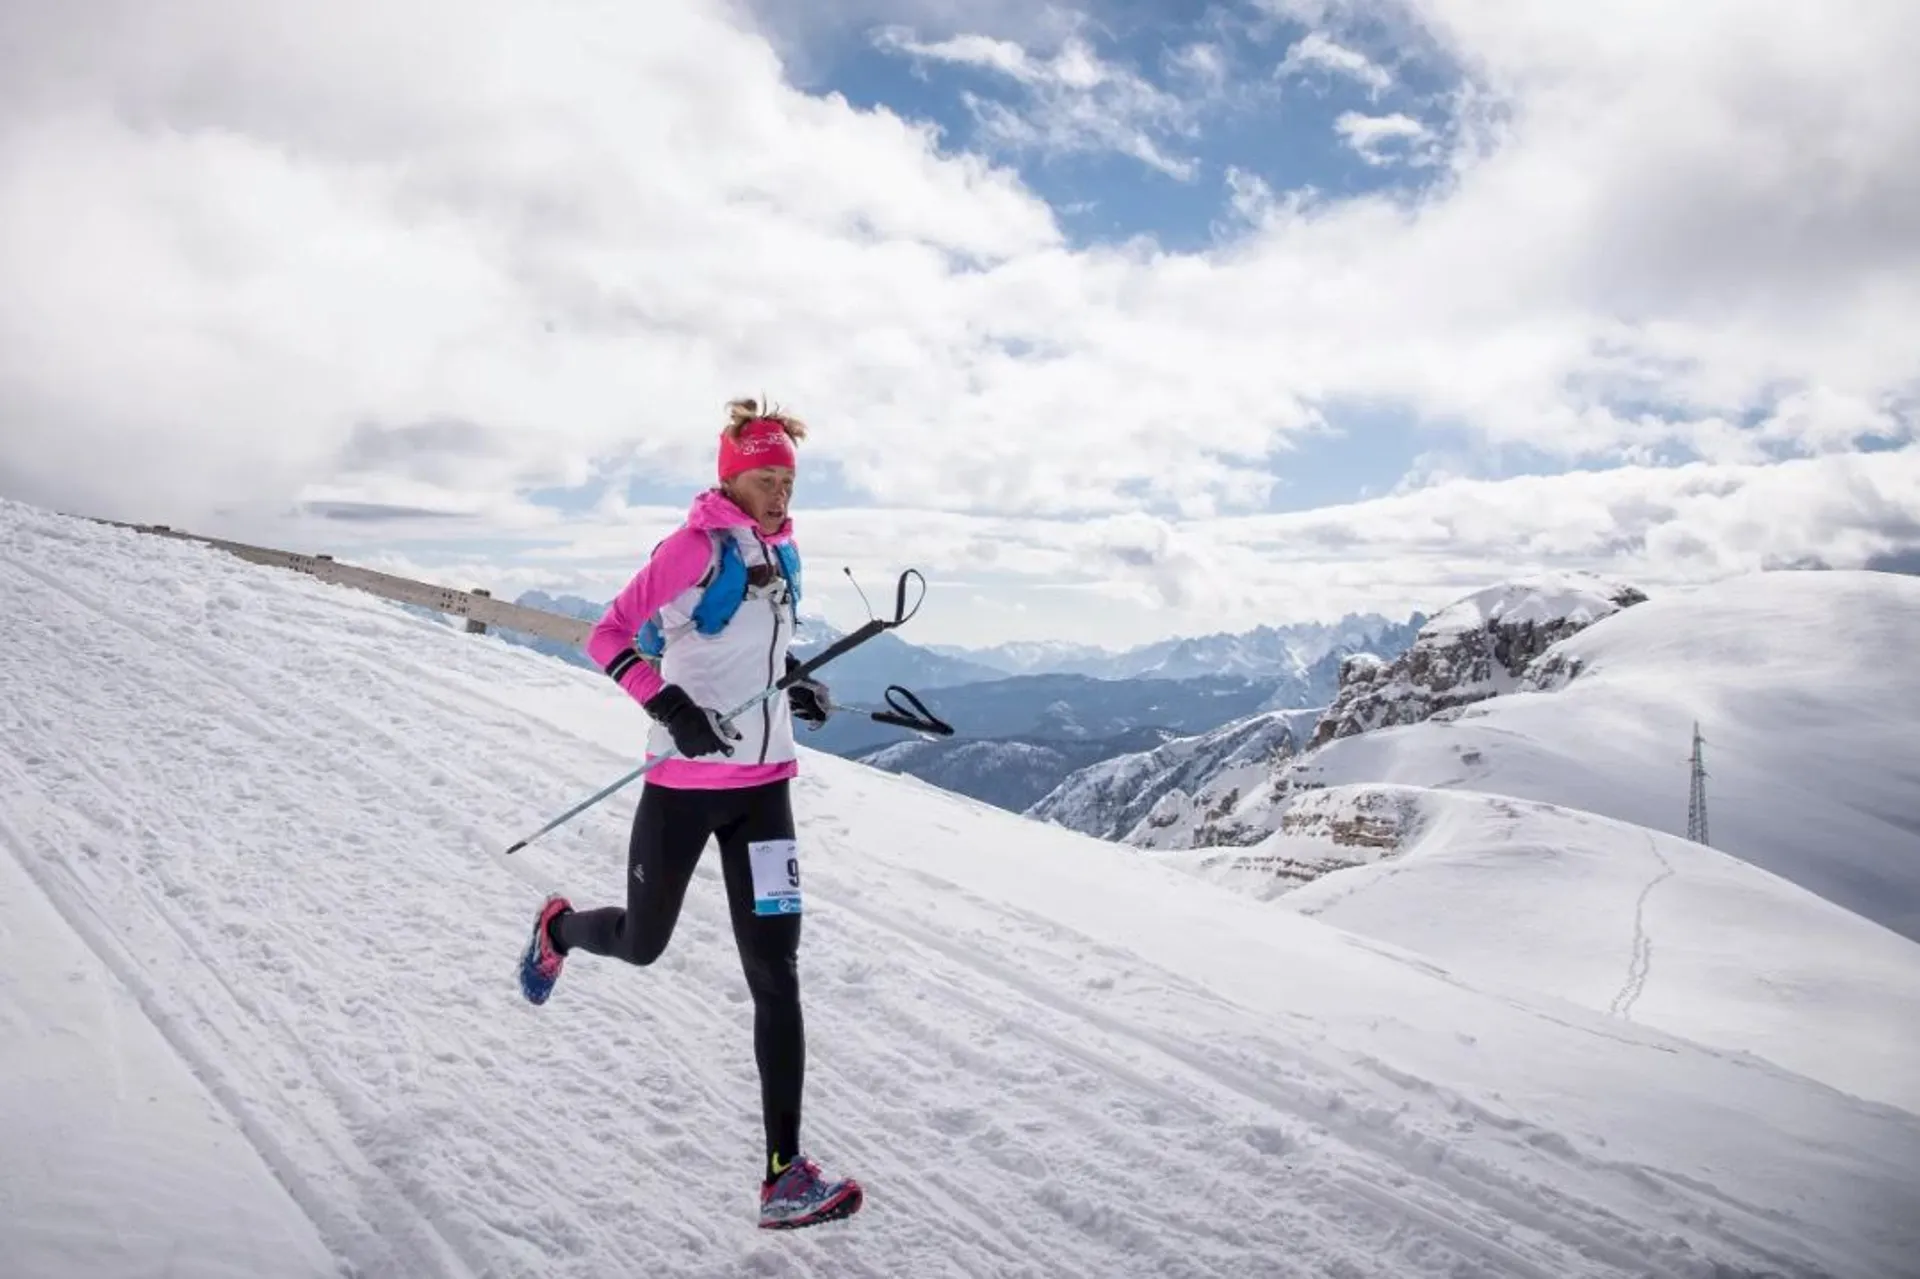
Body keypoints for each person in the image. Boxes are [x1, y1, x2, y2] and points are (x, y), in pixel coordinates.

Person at [515, 398, 857, 1231]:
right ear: (730, 478)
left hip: (765, 790)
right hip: (683, 791)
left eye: (787, 481)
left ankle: (784, 1174)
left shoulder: (784, 547)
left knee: (777, 975)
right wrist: (667, 703)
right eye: (765, 480)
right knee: (643, 942)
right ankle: (558, 930)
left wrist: (797, 680)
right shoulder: (690, 549)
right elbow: (608, 634)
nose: (780, 495)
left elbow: (764, 647)